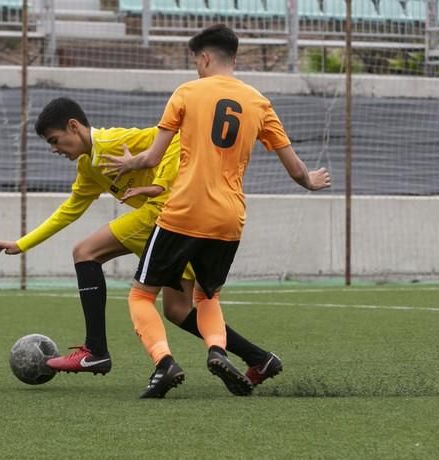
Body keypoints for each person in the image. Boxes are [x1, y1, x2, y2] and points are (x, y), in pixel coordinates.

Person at [100, 24, 331, 398]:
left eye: (196, 61)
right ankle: (217, 350)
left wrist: (130, 163)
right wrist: (311, 181)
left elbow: (153, 156)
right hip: (229, 219)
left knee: (141, 296)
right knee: (207, 297)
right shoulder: (258, 102)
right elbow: (295, 169)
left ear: (204, 57)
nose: (196, 68)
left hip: (184, 210)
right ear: (233, 58)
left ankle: (164, 363)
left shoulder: (187, 93)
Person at [0, 97, 283, 389]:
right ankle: (259, 358)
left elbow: (176, 139)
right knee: (177, 310)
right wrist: (23, 244)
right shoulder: (89, 168)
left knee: (85, 252)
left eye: (55, 140)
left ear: (74, 126)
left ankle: (95, 351)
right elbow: (70, 210)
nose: (54, 149)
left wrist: (159, 185)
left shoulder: (114, 141)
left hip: (169, 214)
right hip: (182, 223)